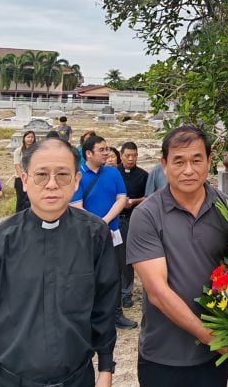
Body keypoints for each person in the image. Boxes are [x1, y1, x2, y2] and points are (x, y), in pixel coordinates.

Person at [0, 138, 119, 387]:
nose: (52, 185)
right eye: (41, 175)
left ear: (76, 180)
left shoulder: (94, 234)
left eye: (63, 175)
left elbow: (104, 304)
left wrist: (106, 368)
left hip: (77, 378)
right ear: (24, 180)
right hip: (11, 379)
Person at [127, 125, 228, 387]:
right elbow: (158, 293)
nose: (189, 170)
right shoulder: (147, 215)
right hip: (164, 355)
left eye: (197, 160)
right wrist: (213, 339)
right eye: (179, 161)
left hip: (212, 358)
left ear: (210, 161)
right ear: (164, 164)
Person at [71, 135, 136, 330]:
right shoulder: (78, 175)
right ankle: (90, 315)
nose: (107, 153)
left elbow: (121, 198)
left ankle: (116, 313)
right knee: (89, 275)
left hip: (112, 231)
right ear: (88, 153)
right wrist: (98, 225)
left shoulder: (113, 173)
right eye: (102, 150)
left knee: (115, 272)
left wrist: (105, 222)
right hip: (87, 235)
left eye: (107, 149)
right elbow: (76, 206)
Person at [117, 141, 148, 308]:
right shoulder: (113, 173)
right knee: (115, 258)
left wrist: (134, 201)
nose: (130, 159)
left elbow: (148, 196)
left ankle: (126, 293)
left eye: (134, 156)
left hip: (133, 219)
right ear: (121, 155)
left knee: (128, 259)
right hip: (115, 219)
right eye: (127, 156)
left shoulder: (143, 175)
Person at [12, 130, 35, 213]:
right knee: (21, 201)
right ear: (24, 138)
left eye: (32, 137)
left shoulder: (36, 151)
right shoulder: (18, 151)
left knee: (33, 200)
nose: (30, 139)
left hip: (33, 178)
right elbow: (17, 165)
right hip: (21, 179)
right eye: (28, 137)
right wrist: (23, 179)